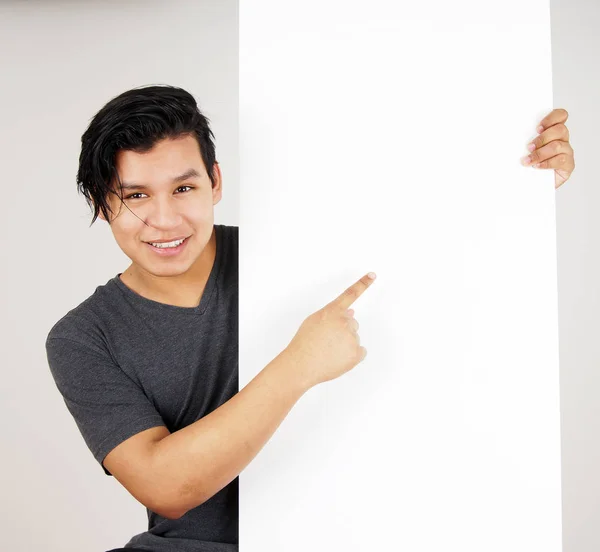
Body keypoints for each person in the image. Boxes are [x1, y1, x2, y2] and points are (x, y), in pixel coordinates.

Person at [44, 84, 576, 552]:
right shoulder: (83, 337)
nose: (165, 220)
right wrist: (299, 364)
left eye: (184, 189)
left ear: (215, 182)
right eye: (136, 196)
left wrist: (524, 188)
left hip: (347, 530)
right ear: (100, 204)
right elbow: (166, 488)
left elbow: (427, 246)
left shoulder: (290, 254)